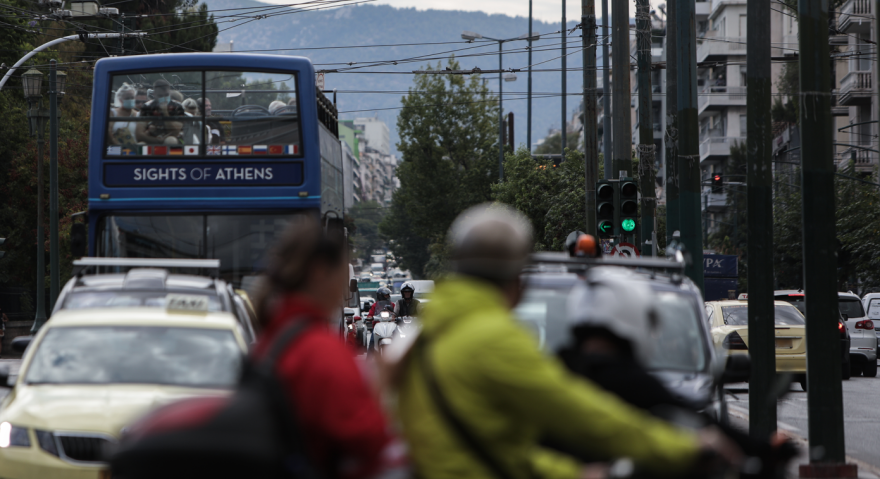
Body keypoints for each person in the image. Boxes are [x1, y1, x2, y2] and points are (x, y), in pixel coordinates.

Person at [395, 204, 742, 479]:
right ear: (517, 280)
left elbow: (499, 453)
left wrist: (571, 473)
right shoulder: (492, 338)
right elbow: (583, 415)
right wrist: (683, 450)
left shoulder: (429, 334)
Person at [556, 268, 796, 475]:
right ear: (634, 317)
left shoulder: (554, 371)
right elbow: (693, 418)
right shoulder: (626, 380)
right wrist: (762, 448)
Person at [253, 216, 406, 479]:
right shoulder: (320, 351)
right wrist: (381, 384)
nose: (344, 288)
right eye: (341, 274)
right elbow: (368, 442)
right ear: (320, 272)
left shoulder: (272, 334)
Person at [136, 79, 185, 145]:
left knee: (170, 141)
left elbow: (175, 131)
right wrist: (156, 140)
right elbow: (139, 134)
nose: (164, 98)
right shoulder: (147, 107)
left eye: (166, 95)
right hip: (152, 139)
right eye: (160, 96)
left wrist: (165, 113)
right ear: (154, 94)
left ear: (170, 93)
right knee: (140, 144)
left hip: (172, 139)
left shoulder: (177, 106)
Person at [108, 83, 140, 147]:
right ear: (120, 99)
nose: (130, 100)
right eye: (127, 98)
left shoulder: (138, 114)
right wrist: (116, 144)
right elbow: (108, 130)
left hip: (134, 150)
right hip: (116, 149)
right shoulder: (113, 112)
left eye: (132, 97)